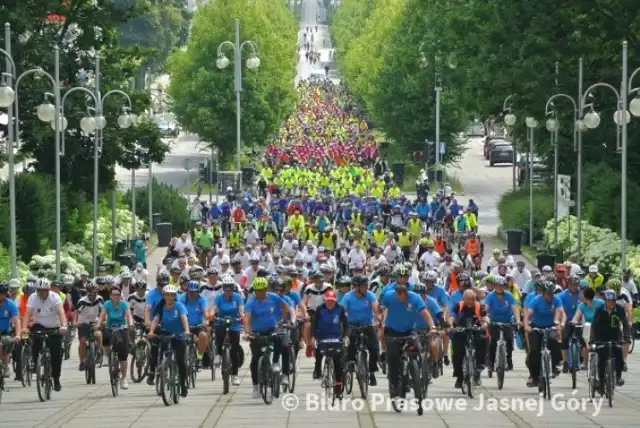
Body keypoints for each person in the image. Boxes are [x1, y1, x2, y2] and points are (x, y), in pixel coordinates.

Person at [378, 283, 436, 399]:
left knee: (416, 349)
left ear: (406, 294)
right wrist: (380, 318)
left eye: (402, 297)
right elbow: (380, 308)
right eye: (397, 296)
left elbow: (425, 313)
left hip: (409, 330)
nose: (400, 299)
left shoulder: (415, 298)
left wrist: (432, 326)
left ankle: (415, 372)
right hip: (392, 330)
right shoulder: (389, 296)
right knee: (393, 357)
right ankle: (394, 384)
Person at [243, 277, 289, 399]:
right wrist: (247, 332)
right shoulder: (251, 301)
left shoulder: (273, 297)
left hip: (271, 329)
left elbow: (285, 306)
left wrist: (282, 320)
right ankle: (255, 386)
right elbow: (247, 317)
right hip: (257, 332)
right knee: (255, 359)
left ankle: (275, 363)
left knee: (279, 339)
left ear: (266, 289)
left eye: (262, 290)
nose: (260, 293)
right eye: (258, 290)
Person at [22, 278, 67, 391]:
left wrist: (63, 326)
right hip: (39, 325)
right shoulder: (33, 297)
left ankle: (56, 378)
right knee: (35, 344)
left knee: (56, 354)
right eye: (39, 291)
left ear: (49, 290)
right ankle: (35, 362)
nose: (42, 293)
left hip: (54, 326)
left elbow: (61, 312)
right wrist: (24, 328)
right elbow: (27, 314)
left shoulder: (55, 297)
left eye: (44, 290)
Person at [148, 285, 190, 397]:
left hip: (179, 335)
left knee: (181, 361)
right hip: (165, 334)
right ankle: (162, 372)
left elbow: (184, 318)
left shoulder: (179, 306)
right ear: (164, 295)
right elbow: (156, 319)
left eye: (172, 294)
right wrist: (151, 331)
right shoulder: (161, 307)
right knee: (161, 353)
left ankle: (183, 385)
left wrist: (186, 330)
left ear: (175, 296)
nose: (169, 297)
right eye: (167, 294)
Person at [523, 280, 565, 388]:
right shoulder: (536, 300)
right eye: (548, 293)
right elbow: (528, 314)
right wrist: (527, 325)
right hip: (536, 327)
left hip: (550, 326)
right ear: (543, 293)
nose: (550, 296)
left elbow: (561, 312)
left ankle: (554, 365)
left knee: (555, 343)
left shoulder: (556, 299)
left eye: (552, 293)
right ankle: (534, 376)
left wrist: (561, 323)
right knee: (534, 351)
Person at [341, 274, 379, 386]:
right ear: (356, 287)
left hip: (367, 325)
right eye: (363, 286)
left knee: (374, 348)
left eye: (366, 285)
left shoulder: (370, 295)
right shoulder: (348, 296)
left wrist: (378, 319)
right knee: (349, 344)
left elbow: (375, 308)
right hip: (352, 326)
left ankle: (372, 372)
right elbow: (343, 310)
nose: (366, 287)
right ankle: (351, 362)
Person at [311, 290, 349, 396]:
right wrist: (313, 337)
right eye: (328, 301)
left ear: (335, 301)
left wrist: (345, 336)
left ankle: (338, 386)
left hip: (336, 337)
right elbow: (314, 324)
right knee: (318, 352)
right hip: (322, 337)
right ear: (325, 300)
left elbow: (346, 325)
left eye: (332, 301)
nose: (330, 303)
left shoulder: (340, 309)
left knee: (338, 361)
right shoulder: (320, 309)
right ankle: (317, 369)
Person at [449, 289, 488, 387]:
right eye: (468, 300)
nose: (470, 302)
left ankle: (479, 367)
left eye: (472, 299)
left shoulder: (478, 306)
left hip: (475, 330)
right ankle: (459, 377)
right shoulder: (459, 305)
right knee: (457, 355)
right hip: (460, 330)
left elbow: (485, 317)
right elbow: (452, 316)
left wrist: (485, 323)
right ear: (464, 298)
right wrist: (451, 325)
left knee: (482, 340)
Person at [590, 289, 628, 391]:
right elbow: (594, 325)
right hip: (601, 338)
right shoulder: (599, 309)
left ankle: (618, 377)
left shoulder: (619, 309)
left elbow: (625, 324)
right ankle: (601, 382)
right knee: (601, 359)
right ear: (605, 301)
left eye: (613, 301)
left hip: (615, 336)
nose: (611, 303)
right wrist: (593, 339)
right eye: (609, 301)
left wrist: (626, 338)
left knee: (619, 353)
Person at [97, 286, 134, 389]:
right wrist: (98, 324)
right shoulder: (107, 304)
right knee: (105, 337)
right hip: (110, 327)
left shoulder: (123, 304)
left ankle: (124, 378)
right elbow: (102, 315)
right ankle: (106, 355)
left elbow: (129, 315)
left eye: (118, 294)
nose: (116, 296)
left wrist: (130, 324)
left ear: (120, 295)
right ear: (110, 296)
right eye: (114, 295)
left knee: (123, 354)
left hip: (122, 328)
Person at [212, 275, 245, 386]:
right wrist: (212, 315)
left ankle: (234, 375)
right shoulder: (219, 297)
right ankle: (218, 354)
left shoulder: (237, 297)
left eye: (230, 287)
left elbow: (241, 310)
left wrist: (241, 317)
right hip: (221, 321)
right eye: (226, 287)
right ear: (223, 288)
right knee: (219, 332)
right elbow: (214, 308)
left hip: (234, 323)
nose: (228, 290)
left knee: (234, 349)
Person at [484, 276, 520, 371]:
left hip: (507, 321)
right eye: (498, 285)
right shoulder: (490, 296)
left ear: (505, 286)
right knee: (493, 342)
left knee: (509, 340)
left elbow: (514, 308)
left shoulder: (509, 296)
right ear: (494, 286)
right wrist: (484, 314)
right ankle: (491, 363)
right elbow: (486, 307)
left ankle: (509, 359)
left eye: (502, 285)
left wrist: (518, 320)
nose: (500, 287)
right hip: (494, 321)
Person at [178, 280, 211, 369]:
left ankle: (200, 357)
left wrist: (207, 321)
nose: (192, 294)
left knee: (203, 335)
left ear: (198, 292)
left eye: (194, 292)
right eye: (190, 291)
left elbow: (205, 312)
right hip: (184, 325)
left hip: (198, 325)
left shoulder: (202, 299)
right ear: (187, 290)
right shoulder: (181, 298)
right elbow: (178, 310)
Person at [73, 282, 104, 372]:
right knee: (82, 341)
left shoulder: (99, 299)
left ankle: (99, 351)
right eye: (91, 293)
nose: (93, 295)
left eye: (95, 293)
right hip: (83, 323)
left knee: (98, 335)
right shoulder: (82, 301)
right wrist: (75, 322)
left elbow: (103, 311)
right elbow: (76, 312)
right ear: (87, 292)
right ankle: (82, 361)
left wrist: (103, 320)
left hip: (94, 321)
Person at [572, 286, 604, 367]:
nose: (579, 296)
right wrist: (574, 321)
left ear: (584, 296)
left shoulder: (600, 303)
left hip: (599, 327)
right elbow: (577, 315)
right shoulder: (581, 305)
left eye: (581, 294)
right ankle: (585, 363)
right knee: (585, 345)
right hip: (587, 328)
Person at [0, 281, 21, 380]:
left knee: (6, 343)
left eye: (2, 293)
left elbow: (16, 320)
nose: (1, 296)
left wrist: (17, 334)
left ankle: (5, 366)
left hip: (5, 332)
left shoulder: (10, 304)